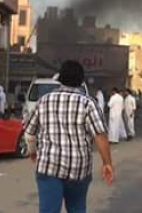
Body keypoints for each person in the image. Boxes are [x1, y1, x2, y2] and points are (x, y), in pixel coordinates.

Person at [23, 60, 114, 213]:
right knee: (77, 208)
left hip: (49, 167)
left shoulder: (44, 101)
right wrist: (107, 163)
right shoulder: (88, 104)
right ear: (81, 81)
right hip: (79, 169)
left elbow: (30, 134)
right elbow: (100, 135)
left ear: (60, 78)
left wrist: (32, 152)